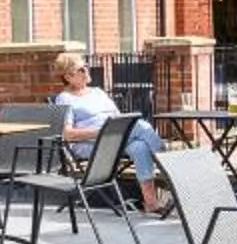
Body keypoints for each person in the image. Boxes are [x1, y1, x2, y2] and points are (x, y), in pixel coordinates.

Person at [52, 49, 166, 215]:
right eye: (81, 69)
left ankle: (151, 204)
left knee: (139, 147)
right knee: (141, 126)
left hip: (114, 137)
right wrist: (100, 132)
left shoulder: (98, 92)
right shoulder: (65, 99)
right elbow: (67, 134)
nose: (87, 71)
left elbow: (117, 117)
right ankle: (169, 166)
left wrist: (116, 128)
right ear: (68, 76)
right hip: (91, 144)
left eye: (86, 67)